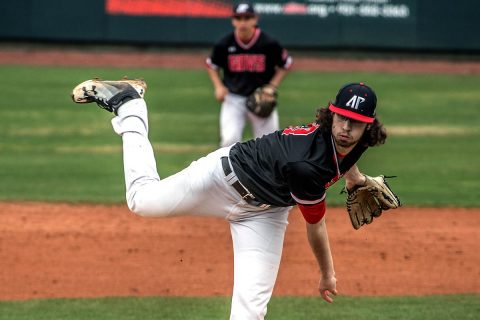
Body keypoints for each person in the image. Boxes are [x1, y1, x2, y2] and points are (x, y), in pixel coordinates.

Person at [71, 78, 387, 320]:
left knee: (250, 310)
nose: (346, 128)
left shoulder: (357, 142)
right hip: (222, 179)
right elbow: (315, 226)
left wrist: (357, 180)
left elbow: (342, 158)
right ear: (331, 114)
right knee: (141, 200)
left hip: (266, 214)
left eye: (355, 122)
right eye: (341, 118)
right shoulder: (305, 165)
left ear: (368, 125)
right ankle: (130, 105)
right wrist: (327, 274)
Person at [206, 2, 292, 147]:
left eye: (247, 18)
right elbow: (211, 65)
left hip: (261, 97)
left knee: (269, 145)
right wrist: (218, 86)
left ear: (255, 19)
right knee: (229, 140)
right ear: (233, 20)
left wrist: (272, 86)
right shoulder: (225, 44)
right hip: (233, 99)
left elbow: (286, 64)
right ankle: (229, 170)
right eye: (239, 18)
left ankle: (266, 170)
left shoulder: (268, 43)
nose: (243, 22)